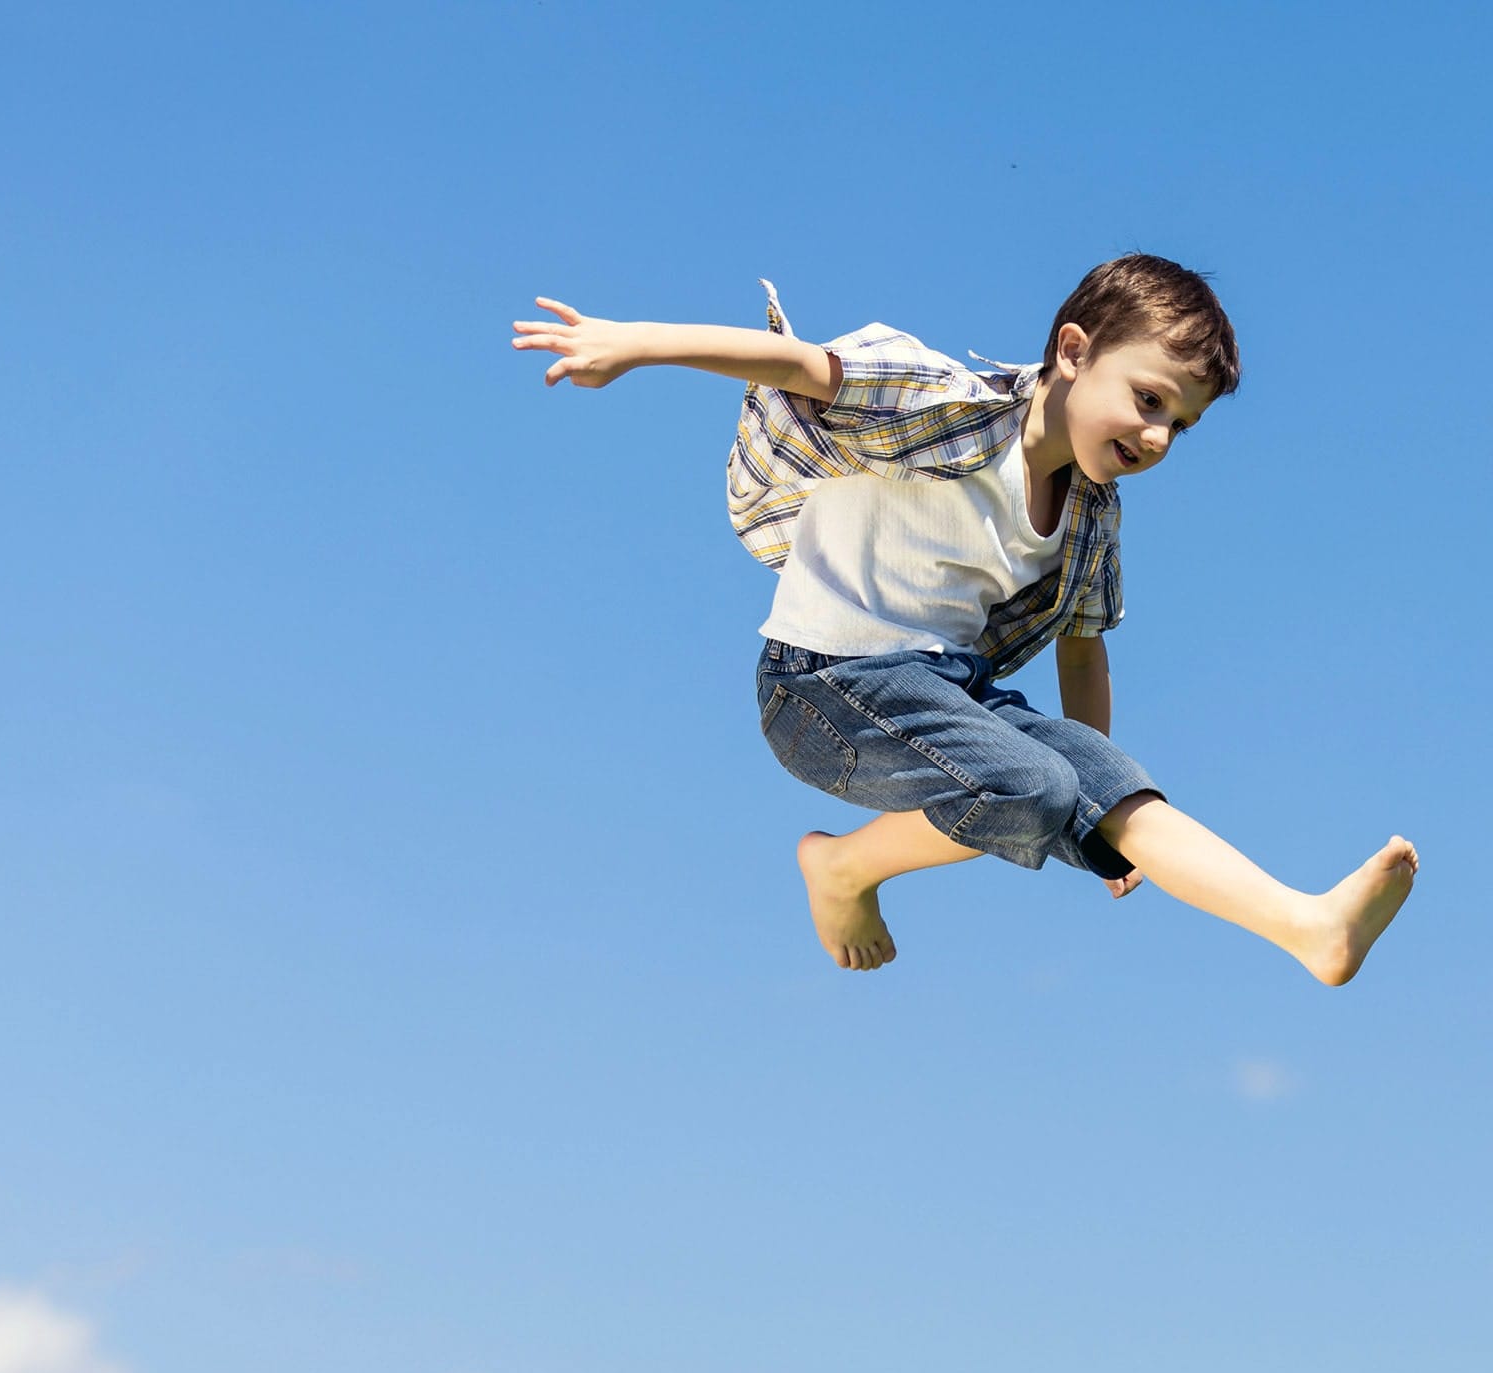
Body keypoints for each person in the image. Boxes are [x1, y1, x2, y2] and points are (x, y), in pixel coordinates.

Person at [510, 255, 1417, 983]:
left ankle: (1306, 926)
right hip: (821, 686)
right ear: (1073, 350)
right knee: (1038, 789)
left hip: (946, 692)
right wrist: (630, 343)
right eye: (1148, 399)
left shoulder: (1092, 516)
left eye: (1178, 426)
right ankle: (843, 868)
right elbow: (796, 366)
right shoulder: (948, 407)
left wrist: (1104, 814)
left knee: (1100, 779)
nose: (1154, 438)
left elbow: (1083, 650)